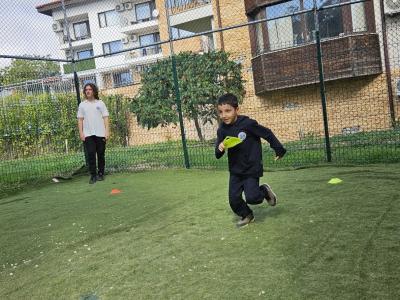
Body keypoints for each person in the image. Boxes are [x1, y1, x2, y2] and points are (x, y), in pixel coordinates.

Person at [215, 93, 286, 227]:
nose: (224, 115)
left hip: (252, 167)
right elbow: (218, 154)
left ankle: (264, 191)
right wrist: (220, 148)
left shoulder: (248, 124)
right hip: (235, 170)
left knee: (253, 198)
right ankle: (247, 215)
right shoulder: (222, 130)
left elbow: (267, 133)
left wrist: (279, 149)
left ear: (237, 110)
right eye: (220, 112)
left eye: (228, 111)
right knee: (234, 199)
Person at [77, 83, 110, 184]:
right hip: (88, 134)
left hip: (100, 133)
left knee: (101, 154)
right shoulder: (82, 105)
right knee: (91, 154)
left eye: (90, 89)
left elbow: (106, 118)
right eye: (86, 90)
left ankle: (100, 173)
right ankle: (93, 175)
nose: (88, 91)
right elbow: (80, 120)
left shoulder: (100, 103)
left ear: (94, 91)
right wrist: (81, 133)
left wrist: (107, 131)